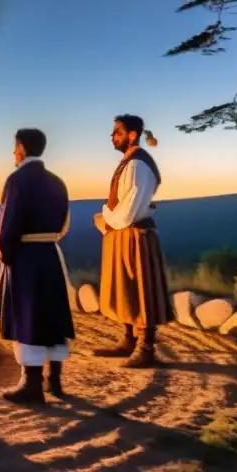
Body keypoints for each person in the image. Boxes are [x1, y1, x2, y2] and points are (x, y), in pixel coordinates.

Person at [0, 128, 75, 403]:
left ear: (22, 148)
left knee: (28, 317)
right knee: (50, 313)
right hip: (50, 253)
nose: (13, 153)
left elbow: (9, 221)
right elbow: (64, 224)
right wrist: (48, 239)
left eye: (14, 147)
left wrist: (3, 251)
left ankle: (32, 385)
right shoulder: (57, 182)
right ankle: (55, 382)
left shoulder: (16, 180)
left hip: (25, 258)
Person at [92, 114, 173, 368]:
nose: (112, 136)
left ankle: (145, 348)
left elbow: (130, 207)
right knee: (125, 287)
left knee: (140, 289)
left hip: (134, 234)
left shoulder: (138, 164)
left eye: (117, 131)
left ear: (132, 135)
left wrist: (105, 219)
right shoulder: (129, 162)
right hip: (123, 232)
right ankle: (128, 340)